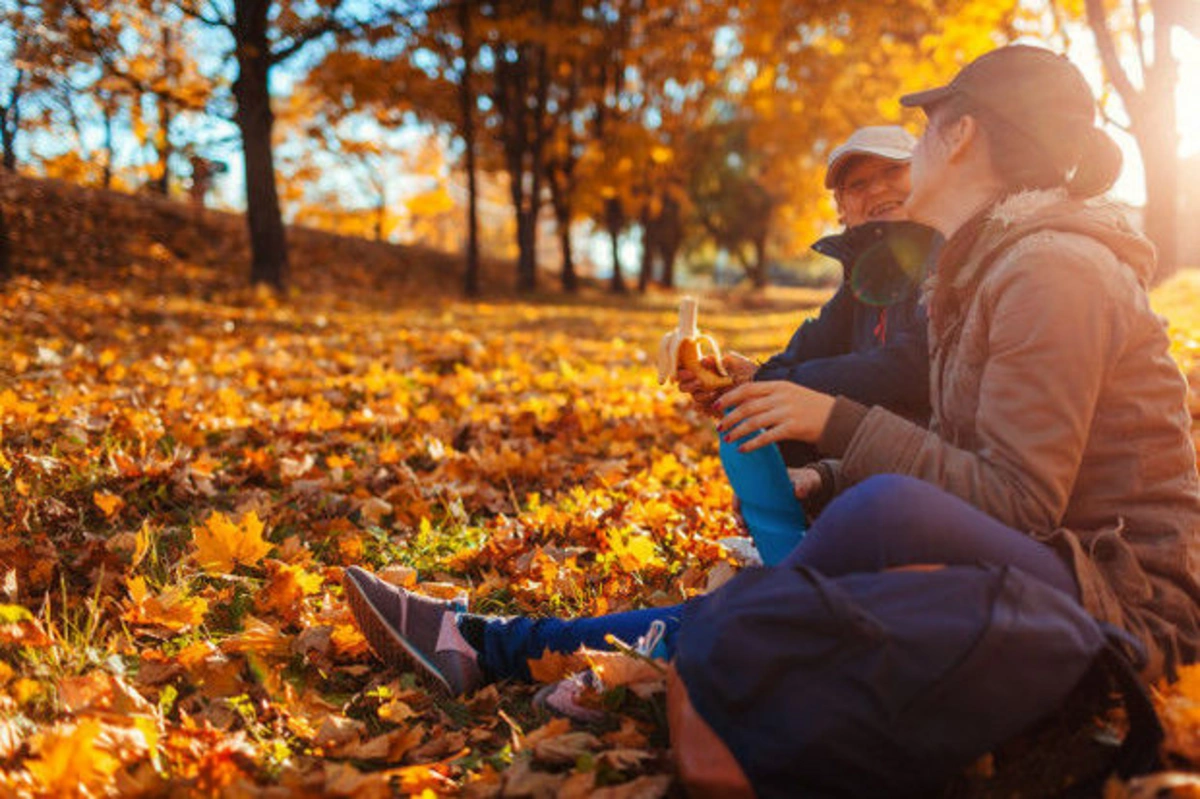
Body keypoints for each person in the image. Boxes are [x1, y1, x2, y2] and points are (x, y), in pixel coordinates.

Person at [343, 45, 1200, 696]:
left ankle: (510, 647)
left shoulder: (1048, 272)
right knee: (823, 543)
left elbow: (1014, 497)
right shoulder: (979, 270)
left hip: (1115, 592)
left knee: (861, 529)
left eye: (915, 143)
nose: (871, 196)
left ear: (960, 135)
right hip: (1054, 561)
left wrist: (835, 429)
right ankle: (509, 645)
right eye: (849, 192)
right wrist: (810, 449)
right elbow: (944, 432)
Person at [681, 126, 937, 476]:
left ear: (925, 178)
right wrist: (739, 379)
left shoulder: (944, 257)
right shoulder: (863, 276)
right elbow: (809, 350)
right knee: (762, 431)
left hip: (933, 451)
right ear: (842, 208)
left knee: (782, 412)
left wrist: (766, 382)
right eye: (858, 185)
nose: (877, 188)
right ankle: (782, 518)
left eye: (893, 170)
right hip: (873, 439)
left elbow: (909, 364)